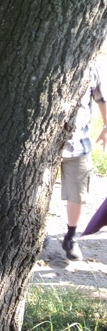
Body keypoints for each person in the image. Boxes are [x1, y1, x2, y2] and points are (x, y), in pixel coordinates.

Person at [61, 61, 107, 260]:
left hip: (78, 145)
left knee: (77, 194)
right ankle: (37, 233)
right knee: (36, 192)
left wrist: (106, 126)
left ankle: (71, 237)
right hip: (43, 147)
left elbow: (101, 99)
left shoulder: (91, 66)